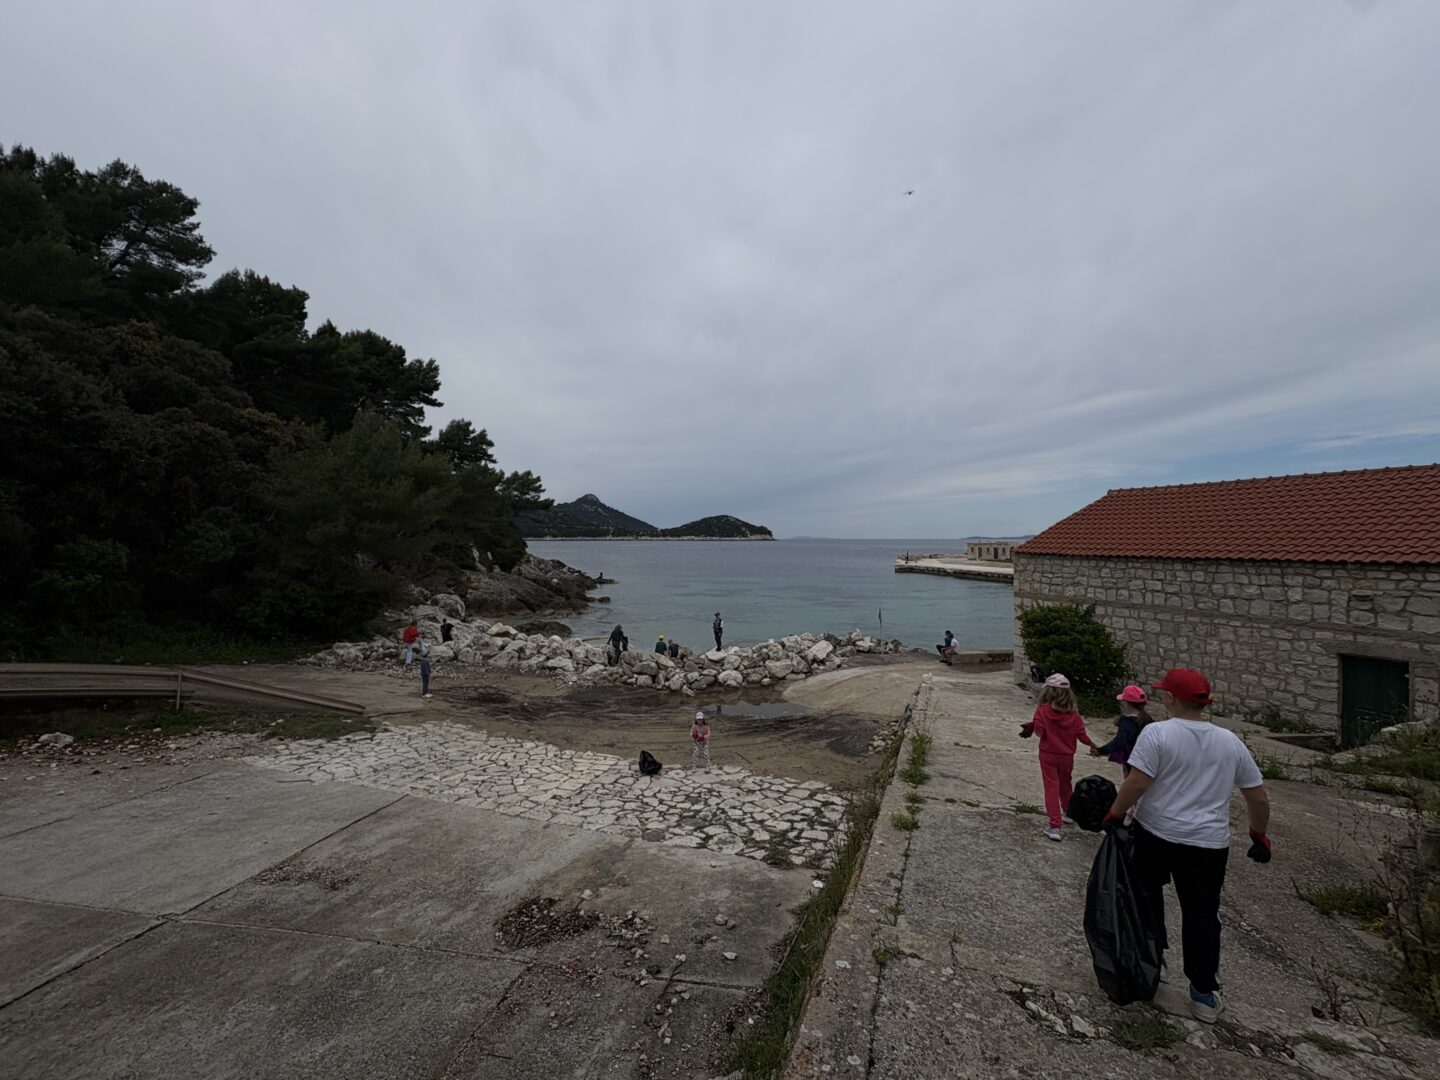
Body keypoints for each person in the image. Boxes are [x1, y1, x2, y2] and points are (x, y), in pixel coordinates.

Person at [1102, 668, 1271, 1024]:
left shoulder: (1157, 734)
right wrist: (1258, 835)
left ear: (1169, 698)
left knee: (1147, 898)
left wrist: (1114, 815)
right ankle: (1203, 994)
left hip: (1155, 832)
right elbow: (1257, 796)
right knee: (1202, 913)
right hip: (1207, 844)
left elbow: (1137, 782)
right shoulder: (1230, 742)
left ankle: (1154, 961)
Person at [1019, 673, 1096, 841]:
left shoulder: (1042, 711)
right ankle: (1068, 811)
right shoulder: (1074, 714)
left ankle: (1054, 825)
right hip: (1067, 756)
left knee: (1051, 788)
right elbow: (1082, 735)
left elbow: (1039, 733)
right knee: (1065, 784)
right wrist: (1093, 745)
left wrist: (1034, 724)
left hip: (1048, 754)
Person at [1090, 685, 1153, 776]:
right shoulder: (1147, 718)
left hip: (1131, 760)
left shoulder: (1127, 721)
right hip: (1145, 759)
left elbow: (1119, 741)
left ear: (1126, 703)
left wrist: (1101, 750)